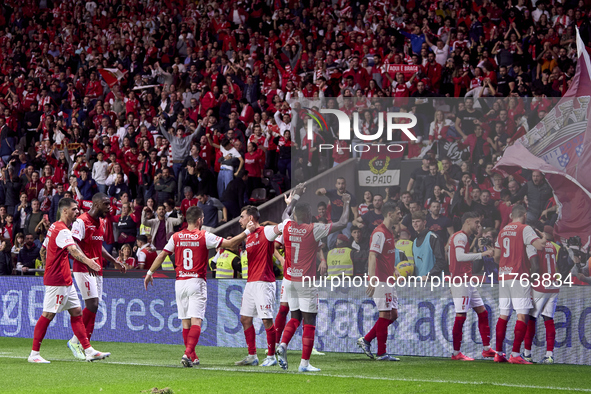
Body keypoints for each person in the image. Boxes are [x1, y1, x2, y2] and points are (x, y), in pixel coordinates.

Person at [144, 206, 251, 367]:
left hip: (180, 283)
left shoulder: (176, 236)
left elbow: (162, 254)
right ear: (200, 220)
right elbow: (229, 243)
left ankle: (192, 356)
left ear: (187, 220)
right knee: (196, 322)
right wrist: (247, 232)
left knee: (185, 323)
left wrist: (149, 273)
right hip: (196, 282)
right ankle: (187, 354)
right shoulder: (204, 235)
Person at [277, 184, 351, 372]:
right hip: (306, 281)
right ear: (309, 216)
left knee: (295, 317)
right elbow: (342, 223)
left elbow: (285, 213)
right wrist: (347, 204)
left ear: (295, 215)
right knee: (309, 320)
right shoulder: (314, 228)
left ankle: (282, 345)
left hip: (290, 280)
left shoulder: (287, 225)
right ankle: (304, 364)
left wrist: (296, 197)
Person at [29, 198, 110, 363]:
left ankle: (88, 350)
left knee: (77, 312)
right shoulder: (63, 230)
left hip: (64, 278)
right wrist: (89, 262)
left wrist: (48, 265)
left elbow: (43, 249)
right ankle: (34, 354)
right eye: (74, 209)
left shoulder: (53, 227)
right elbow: (73, 250)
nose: (77, 212)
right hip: (57, 280)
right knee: (48, 314)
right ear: (64, 211)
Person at [67, 193, 128, 359]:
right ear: (96, 204)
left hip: (98, 269)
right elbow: (72, 246)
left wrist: (114, 261)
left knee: (95, 307)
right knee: (92, 304)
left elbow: (99, 247)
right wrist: (87, 261)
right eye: (106, 204)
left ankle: (85, 347)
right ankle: (77, 343)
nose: (109, 207)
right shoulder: (81, 221)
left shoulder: (102, 222)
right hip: (83, 268)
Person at [493, 204, 547, 364]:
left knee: (504, 315)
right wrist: (543, 237)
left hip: (503, 276)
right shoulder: (525, 228)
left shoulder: (502, 231)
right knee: (522, 315)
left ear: (511, 216)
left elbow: (496, 256)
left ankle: (498, 353)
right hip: (519, 276)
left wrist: (505, 263)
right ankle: (515, 355)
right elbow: (540, 246)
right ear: (524, 215)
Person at [234, 205, 284, 367]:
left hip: (264, 283)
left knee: (266, 320)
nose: (240, 220)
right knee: (245, 319)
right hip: (251, 283)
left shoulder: (266, 231)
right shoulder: (248, 236)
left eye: (242, 216)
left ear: (250, 218)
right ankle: (252, 355)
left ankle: (271, 356)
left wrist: (290, 204)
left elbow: (283, 227)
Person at [357, 203, 405, 361]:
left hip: (389, 278)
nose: (400, 215)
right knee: (385, 314)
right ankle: (382, 353)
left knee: (393, 314)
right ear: (390, 214)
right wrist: (372, 279)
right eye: (398, 212)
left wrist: (394, 269)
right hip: (381, 280)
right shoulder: (380, 232)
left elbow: (386, 256)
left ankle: (366, 340)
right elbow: (373, 256)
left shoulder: (389, 232)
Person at [447, 212, 496, 361]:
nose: (479, 226)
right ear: (468, 222)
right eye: (477, 223)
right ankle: (456, 353)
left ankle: (487, 349)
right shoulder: (460, 236)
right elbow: (460, 257)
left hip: (466, 280)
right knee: (461, 316)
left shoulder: (461, 237)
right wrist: (483, 254)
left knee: (482, 312)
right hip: (460, 281)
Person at [523, 225, 559, 364]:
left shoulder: (535, 246)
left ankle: (527, 353)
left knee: (531, 318)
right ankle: (549, 355)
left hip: (541, 285)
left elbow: (536, 267)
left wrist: (529, 281)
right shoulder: (553, 246)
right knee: (549, 319)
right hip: (554, 284)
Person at [315, 177, 358, 249]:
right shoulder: (332, 193)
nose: (341, 185)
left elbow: (355, 212)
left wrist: (355, 224)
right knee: (330, 242)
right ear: (336, 185)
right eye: (339, 183)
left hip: (346, 223)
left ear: (345, 185)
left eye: (342, 183)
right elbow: (317, 193)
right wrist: (320, 190)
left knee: (347, 241)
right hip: (335, 222)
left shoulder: (350, 196)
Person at [411, 211, 447, 279]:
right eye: (413, 221)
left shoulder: (433, 237)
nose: (415, 224)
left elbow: (441, 262)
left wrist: (429, 276)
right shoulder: (414, 241)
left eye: (417, 221)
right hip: (419, 283)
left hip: (434, 283)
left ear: (424, 222)